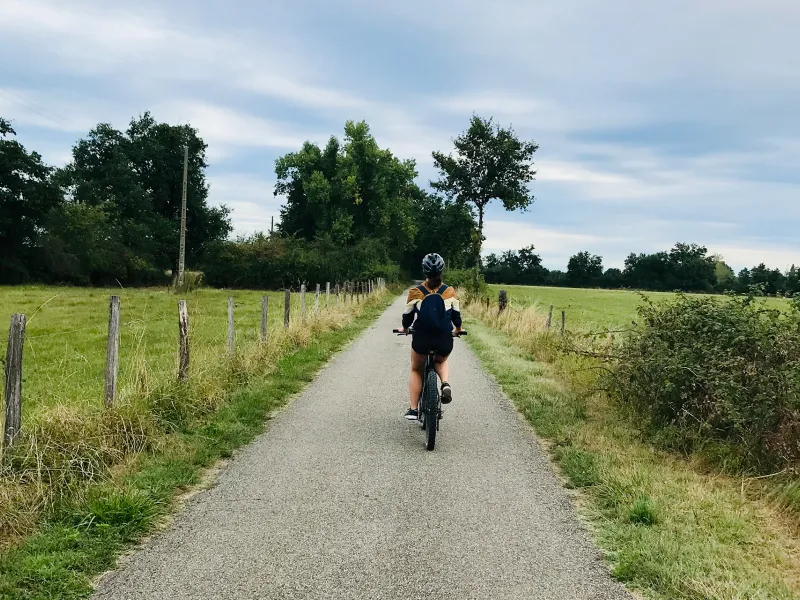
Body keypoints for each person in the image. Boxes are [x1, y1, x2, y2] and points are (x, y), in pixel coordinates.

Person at [397, 253, 462, 420]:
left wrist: (405, 328)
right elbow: (456, 316)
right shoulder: (449, 291)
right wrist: (458, 329)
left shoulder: (415, 292)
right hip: (443, 339)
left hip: (422, 338)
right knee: (441, 360)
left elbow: (407, 317)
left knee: (416, 369)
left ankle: (413, 410)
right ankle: (445, 383)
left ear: (424, 271)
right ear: (442, 271)